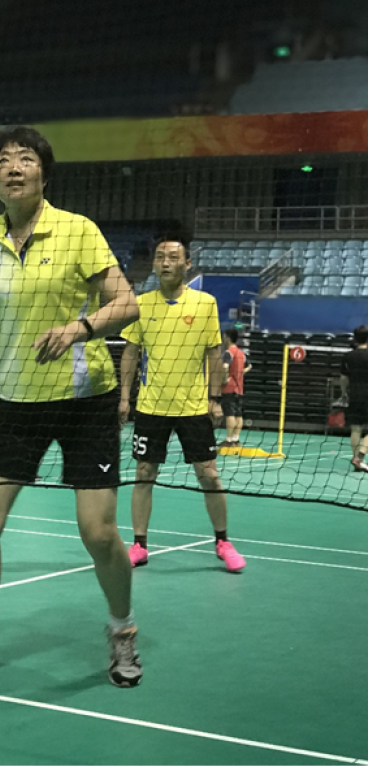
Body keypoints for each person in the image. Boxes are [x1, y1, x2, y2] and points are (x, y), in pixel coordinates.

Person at [0, 125, 142, 688]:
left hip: (84, 400)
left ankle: (122, 628)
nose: (13, 167)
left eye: (24, 158)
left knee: (98, 532)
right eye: (2, 160)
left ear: (44, 173)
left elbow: (127, 303)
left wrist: (79, 328)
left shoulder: (78, 230)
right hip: (17, 401)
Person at [119, 232, 246, 573]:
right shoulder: (141, 303)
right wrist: (124, 397)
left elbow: (213, 353)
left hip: (194, 407)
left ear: (187, 264)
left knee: (209, 476)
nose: (165, 262)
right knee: (143, 474)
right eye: (160, 257)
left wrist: (214, 399)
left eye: (173, 257)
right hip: (151, 406)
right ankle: (139, 544)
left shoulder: (205, 303)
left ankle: (222, 541)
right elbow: (130, 352)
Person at [341, 324, 368, 473]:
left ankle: (356, 459)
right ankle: (360, 457)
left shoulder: (348, 356)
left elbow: (343, 379)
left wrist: (344, 393)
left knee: (356, 429)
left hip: (355, 395)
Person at [219, 328, 252, 448]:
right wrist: (239, 373)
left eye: (223, 337)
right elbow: (249, 366)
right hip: (239, 388)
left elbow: (225, 366)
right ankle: (236, 439)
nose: (222, 339)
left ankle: (228, 440)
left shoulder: (229, 353)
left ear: (228, 338)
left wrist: (224, 379)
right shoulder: (241, 353)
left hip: (229, 389)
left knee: (230, 414)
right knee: (238, 414)